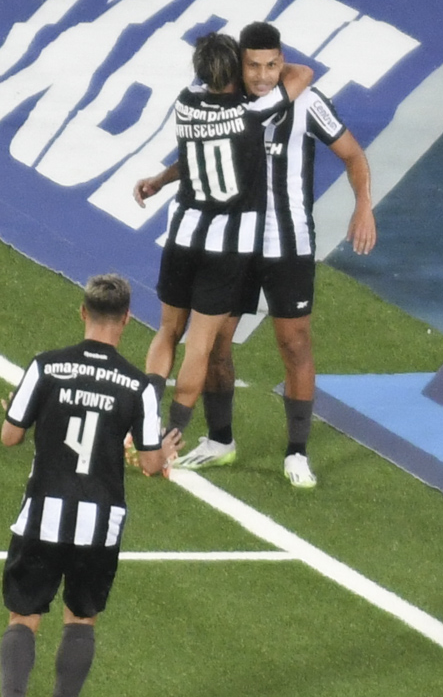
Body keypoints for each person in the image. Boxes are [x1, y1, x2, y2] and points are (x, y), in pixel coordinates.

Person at [0, 274, 174, 697]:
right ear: (127, 320)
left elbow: (9, 436)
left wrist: (22, 415)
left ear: (83, 312)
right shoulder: (138, 386)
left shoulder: (46, 366)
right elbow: (152, 465)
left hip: (42, 517)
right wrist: (158, 454)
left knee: (24, 616)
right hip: (99, 526)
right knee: (80, 620)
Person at [171, 22, 377, 488]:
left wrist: (364, 205)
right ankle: (220, 441)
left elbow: (352, 155)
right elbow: (202, 153)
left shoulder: (307, 103)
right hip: (232, 242)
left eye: (272, 65)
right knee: (217, 344)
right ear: (240, 65)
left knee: (295, 344)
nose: (263, 76)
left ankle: (297, 452)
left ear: (282, 62)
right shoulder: (228, 102)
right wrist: (162, 179)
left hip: (288, 243)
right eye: (254, 66)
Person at [132, 32, 313, 458]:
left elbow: (198, 155)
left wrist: (160, 180)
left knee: (167, 331)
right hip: (228, 245)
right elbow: (303, 74)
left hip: (183, 234)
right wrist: (271, 69)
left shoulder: (185, 102)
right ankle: (172, 435)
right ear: (236, 70)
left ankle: (144, 420)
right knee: (201, 344)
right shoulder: (252, 113)